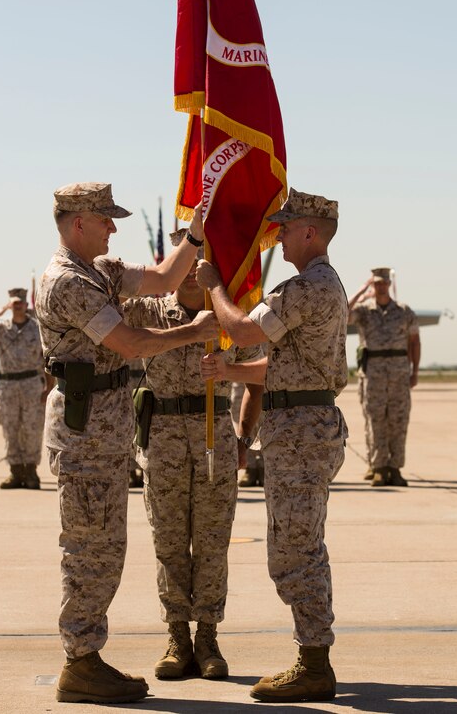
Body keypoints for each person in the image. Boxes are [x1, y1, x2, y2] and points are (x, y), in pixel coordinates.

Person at [35, 182, 217, 705]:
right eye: (105, 219)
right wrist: (194, 331)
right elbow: (131, 343)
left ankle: (87, 657)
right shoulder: (67, 283)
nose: (114, 228)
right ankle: (81, 663)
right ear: (77, 224)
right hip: (86, 435)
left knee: (105, 549)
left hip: (105, 433)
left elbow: (162, 277)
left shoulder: (100, 272)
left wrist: (196, 236)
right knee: (90, 550)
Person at [197, 188, 348, 703]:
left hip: (301, 433)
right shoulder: (322, 286)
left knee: (296, 548)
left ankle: (314, 664)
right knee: (296, 543)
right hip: (302, 422)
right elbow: (287, 366)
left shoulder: (308, 287)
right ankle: (312, 657)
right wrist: (233, 372)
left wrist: (214, 285)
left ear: (311, 232)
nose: (277, 233)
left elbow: (240, 330)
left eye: (286, 226)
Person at [122, 229, 263, 681]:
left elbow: (259, 372)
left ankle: (207, 637)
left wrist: (243, 436)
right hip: (161, 433)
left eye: (202, 253)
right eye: (188, 252)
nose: (192, 265)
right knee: (168, 541)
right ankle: (177, 635)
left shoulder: (226, 313)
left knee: (212, 541)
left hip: (213, 436)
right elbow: (109, 323)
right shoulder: (145, 308)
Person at [0, 288, 52, 489]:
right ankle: (15, 472)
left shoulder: (37, 328)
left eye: (21, 303)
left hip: (32, 384)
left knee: (32, 429)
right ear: (9, 304)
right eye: (14, 303)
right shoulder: (0, 327)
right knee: (10, 429)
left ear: (26, 305)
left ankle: (31, 472)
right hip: (8, 386)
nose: (18, 306)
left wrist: (49, 387)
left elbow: (47, 358)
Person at [348, 268, 420, 487]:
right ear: (373, 285)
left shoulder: (404, 311)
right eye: (377, 283)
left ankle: (395, 468)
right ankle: (378, 467)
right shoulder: (363, 312)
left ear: (389, 284)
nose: (381, 287)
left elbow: (414, 342)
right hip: (373, 374)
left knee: (398, 420)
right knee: (376, 419)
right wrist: (361, 291)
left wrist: (414, 371)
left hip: (399, 373)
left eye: (384, 283)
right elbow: (341, 311)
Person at [230, 381, 264, 487]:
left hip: (263, 371)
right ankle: (250, 466)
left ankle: (263, 466)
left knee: (262, 412)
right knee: (238, 408)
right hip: (239, 373)